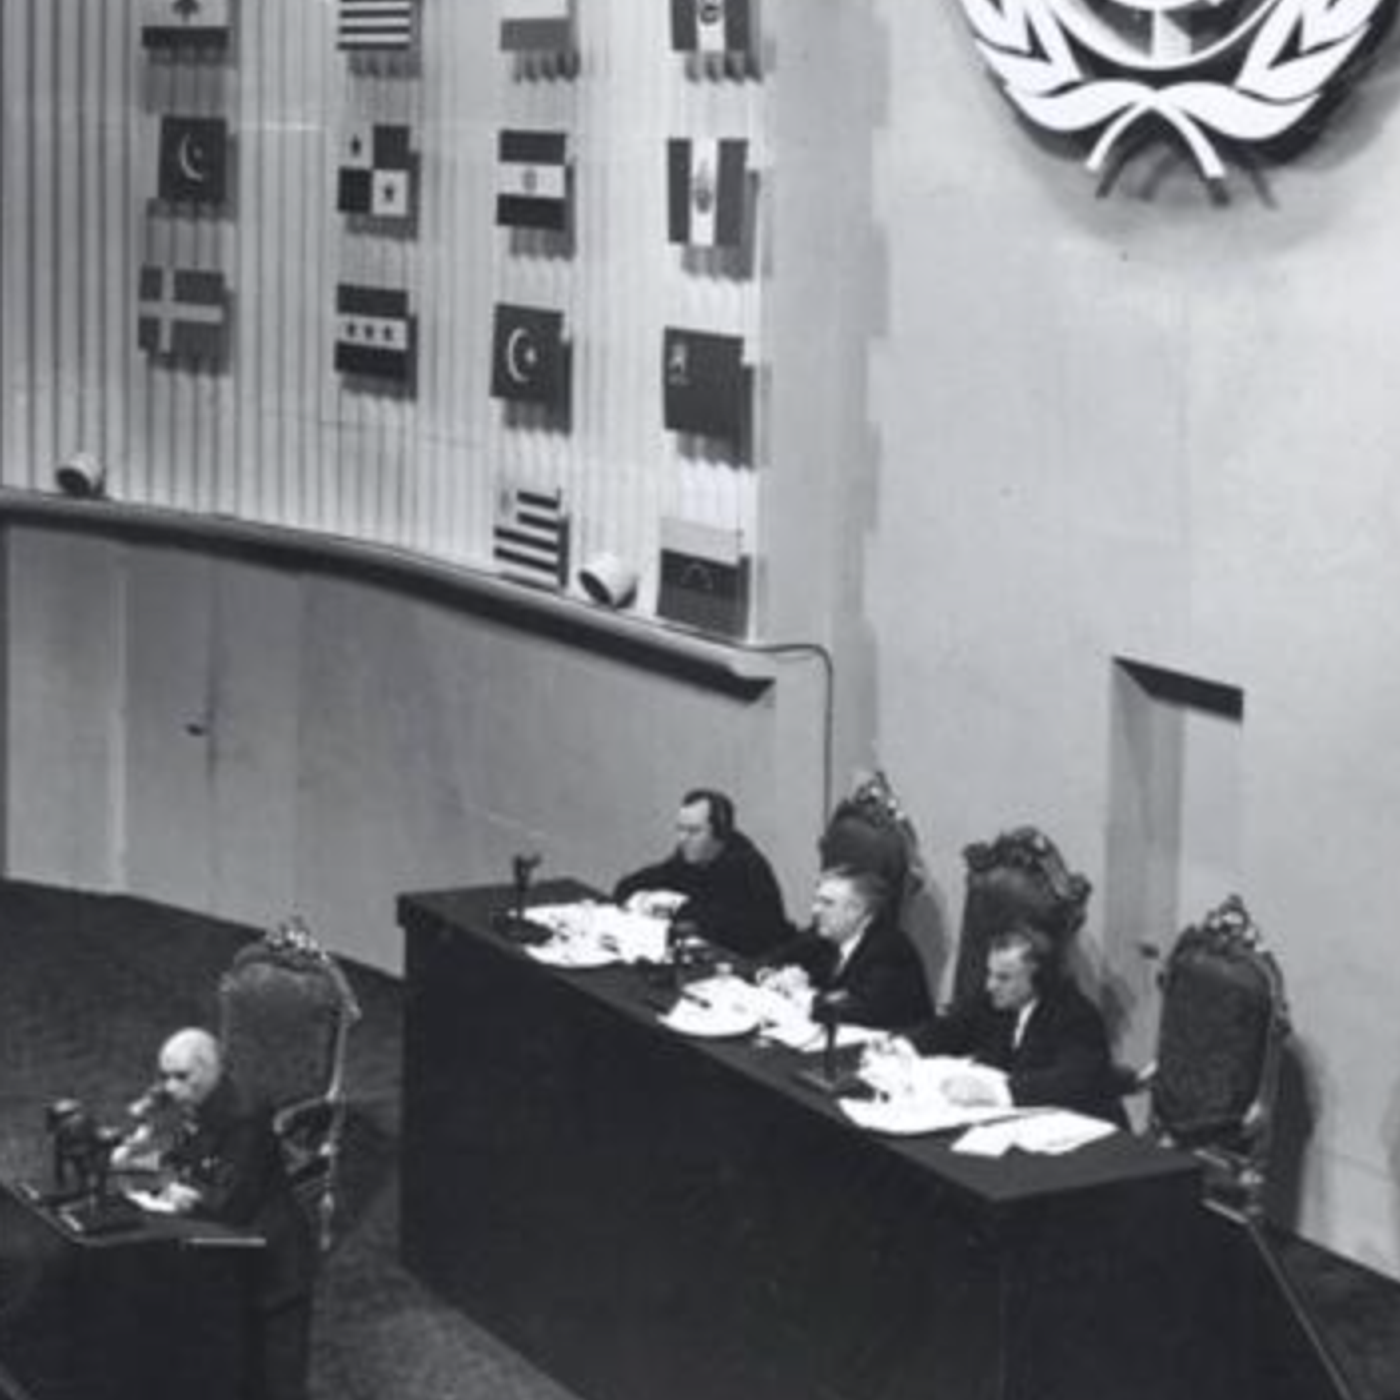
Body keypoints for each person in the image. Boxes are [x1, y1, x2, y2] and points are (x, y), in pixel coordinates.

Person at [114, 1028, 316, 1400]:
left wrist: (166, 1184)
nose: (170, 1088)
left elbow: (227, 1202)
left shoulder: (245, 1115)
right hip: (233, 1256)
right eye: (164, 1076)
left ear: (210, 1069)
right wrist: (139, 1157)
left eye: (181, 1077)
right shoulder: (200, 1100)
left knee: (275, 1380)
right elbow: (183, 1154)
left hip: (272, 1263)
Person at [909, 924, 1126, 1123]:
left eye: (1003, 978)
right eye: (990, 974)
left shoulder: (1075, 1015)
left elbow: (1071, 1081)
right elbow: (952, 1028)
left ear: (1039, 978)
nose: (990, 985)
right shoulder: (997, 1002)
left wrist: (995, 1091)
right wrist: (902, 1046)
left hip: (1084, 1131)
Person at [613, 788, 788, 958]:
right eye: (680, 829)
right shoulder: (687, 857)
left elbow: (726, 930)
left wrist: (673, 907)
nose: (682, 839)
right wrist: (643, 899)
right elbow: (632, 884)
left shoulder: (746, 867)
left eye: (693, 831)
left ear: (720, 834)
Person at [759, 866, 934, 1030]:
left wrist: (800, 993)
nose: (815, 910)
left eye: (827, 903)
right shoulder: (823, 934)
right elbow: (767, 960)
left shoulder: (890, 950)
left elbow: (861, 1013)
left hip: (889, 1045)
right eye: (816, 901)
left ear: (857, 910)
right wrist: (770, 976)